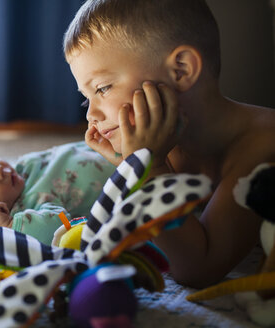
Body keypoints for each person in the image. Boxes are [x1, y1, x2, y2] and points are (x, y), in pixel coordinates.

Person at [63, 0, 275, 288]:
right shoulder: (171, 145)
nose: (90, 115)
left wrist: (147, 168)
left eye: (102, 88)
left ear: (181, 70)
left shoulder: (262, 146)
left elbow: (199, 268)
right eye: (86, 98)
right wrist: (132, 165)